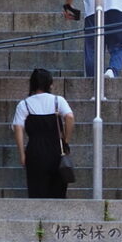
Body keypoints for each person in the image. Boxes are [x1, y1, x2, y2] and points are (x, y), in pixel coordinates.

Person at [12, 67, 74, 200]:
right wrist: (66, 140)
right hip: (56, 149)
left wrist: (22, 154)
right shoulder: (58, 100)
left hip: (35, 150)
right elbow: (69, 117)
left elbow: (18, 128)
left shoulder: (24, 104)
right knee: (58, 190)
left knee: (37, 190)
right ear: (50, 84)